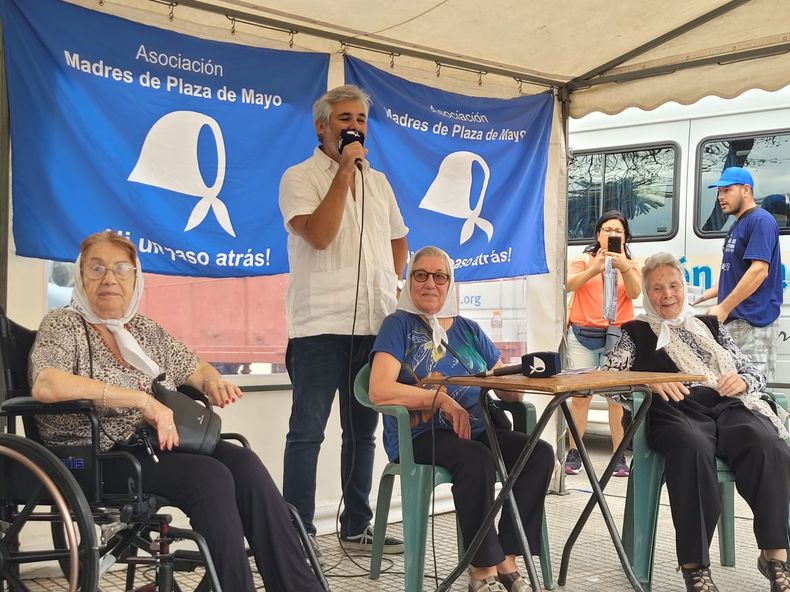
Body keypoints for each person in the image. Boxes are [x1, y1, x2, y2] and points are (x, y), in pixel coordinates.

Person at [29, 231, 323, 592]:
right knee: (210, 477)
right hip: (97, 455)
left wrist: (211, 382)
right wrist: (140, 400)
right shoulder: (63, 324)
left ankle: (298, 586)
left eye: (121, 269)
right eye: (97, 268)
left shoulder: (144, 330)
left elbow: (195, 368)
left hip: (153, 444)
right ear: (80, 275)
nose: (109, 278)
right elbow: (46, 384)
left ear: (135, 278)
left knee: (244, 462)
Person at [370, 246, 554, 592]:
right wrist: (440, 400)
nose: (430, 283)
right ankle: (482, 566)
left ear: (450, 284)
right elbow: (379, 389)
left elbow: (502, 383)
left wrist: (519, 383)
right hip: (421, 434)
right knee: (476, 458)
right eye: (420, 275)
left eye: (439, 276)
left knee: (538, 453)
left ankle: (508, 556)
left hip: (478, 428)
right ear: (409, 281)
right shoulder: (398, 325)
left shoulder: (468, 329)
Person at [603, 252, 790, 592]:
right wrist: (646, 383)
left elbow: (751, 369)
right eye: (657, 288)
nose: (667, 295)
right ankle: (695, 566)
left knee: (768, 444)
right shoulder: (635, 332)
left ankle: (775, 556)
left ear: (684, 287)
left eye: (673, 286)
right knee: (692, 448)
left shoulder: (710, 325)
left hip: (726, 403)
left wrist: (743, 381)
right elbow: (606, 379)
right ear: (647, 292)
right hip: (674, 408)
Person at [278, 84, 408, 558]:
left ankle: (356, 525)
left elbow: (398, 237)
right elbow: (318, 234)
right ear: (322, 126)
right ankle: (298, 531)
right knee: (307, 432)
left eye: (360, 119)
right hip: (318, 328)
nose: (355, 127)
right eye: (344, 118)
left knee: (362, 434)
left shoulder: (380, 182)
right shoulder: (298, 176)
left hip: (373, 325)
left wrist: (393, 282)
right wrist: (343, 172)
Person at [563, 211, 640, 477]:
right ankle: (574, 452)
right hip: (582, 335)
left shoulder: (631, 264)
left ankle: (619, 455)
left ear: (626, 237)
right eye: (607, 230)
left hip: (617, 336)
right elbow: (568, 284)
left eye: (618, 231)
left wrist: (624, 268)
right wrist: (595, 268)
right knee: (580, 397)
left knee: (616, 401)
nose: (612, 235)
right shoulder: (584, 260)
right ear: (598, 234)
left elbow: (635, 293)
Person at [693, 167, 783, 381]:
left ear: (746, 190)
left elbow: (759, 271)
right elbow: (735, 277)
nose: (720, 197)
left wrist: (724, 308)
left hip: (753, 323)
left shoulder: (760, 221)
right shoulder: (738, 224)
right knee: (732, 390)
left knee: (754, 390)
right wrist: (699, 297)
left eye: (727, 190)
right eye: (719, 192)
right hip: (736, 322)